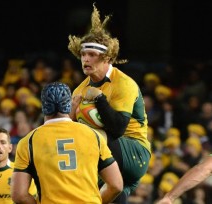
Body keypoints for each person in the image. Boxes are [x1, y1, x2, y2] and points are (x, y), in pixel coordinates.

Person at [68, 4, 151, 204]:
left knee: (92, 137)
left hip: (133, 151)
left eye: (92, 55)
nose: (85, 59)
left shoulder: (124, 83)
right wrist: (70, 113)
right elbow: (70, 129)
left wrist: (99, 99)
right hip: (106, 155)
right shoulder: (79, 90)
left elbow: (118, 128)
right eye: (83, 54)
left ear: (108, 58)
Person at [11, 82, 123, 204]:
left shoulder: (28, 142)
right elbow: (116, 185)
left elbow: (19, 195)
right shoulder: (93, 135)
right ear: (69, 104)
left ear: (43, 106)